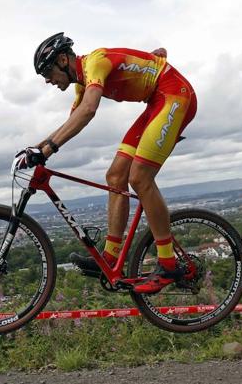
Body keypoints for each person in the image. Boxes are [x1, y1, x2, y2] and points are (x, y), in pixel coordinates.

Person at [16, 32, 197, 294]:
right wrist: (36, 148)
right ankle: (110, 257)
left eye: (47, 71)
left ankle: (169, 263)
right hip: (156, 102)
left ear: (64, 60)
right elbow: (69, 124)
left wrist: (48, 150)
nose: (47, 80)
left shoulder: (95, 63)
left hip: (174, 95)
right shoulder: (82, 82)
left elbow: (89, 110)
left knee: (139, 178)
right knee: (115, 176)